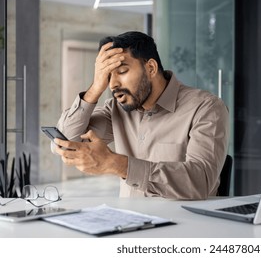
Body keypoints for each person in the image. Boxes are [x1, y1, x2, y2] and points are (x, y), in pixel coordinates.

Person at [53, 31, 229, 200]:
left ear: (151, 68)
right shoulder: (116, 109)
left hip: (183, 225)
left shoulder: (206, 108)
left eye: (122, 72)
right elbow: (65, 143)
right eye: (107, 76)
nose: (113, 84)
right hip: (127, 221)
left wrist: (116, 164)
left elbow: (200, 182)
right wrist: (95, 89)